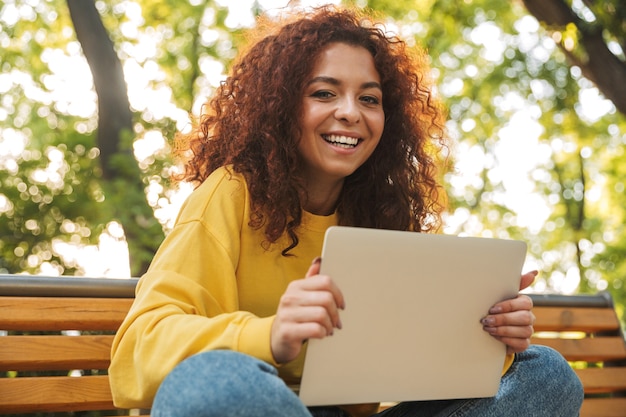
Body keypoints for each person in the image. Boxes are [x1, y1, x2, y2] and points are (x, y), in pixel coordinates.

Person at [109, 5, 583, 417]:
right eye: (324, 93)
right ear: (280, 108)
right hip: (256, 403)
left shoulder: (382, 214)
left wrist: (484, 335)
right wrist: (269, 336)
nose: (351, 112)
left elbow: (404, 366)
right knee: (216, 382)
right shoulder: (231, 193)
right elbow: (137, 351)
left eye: (369, 99)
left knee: (546, 373)